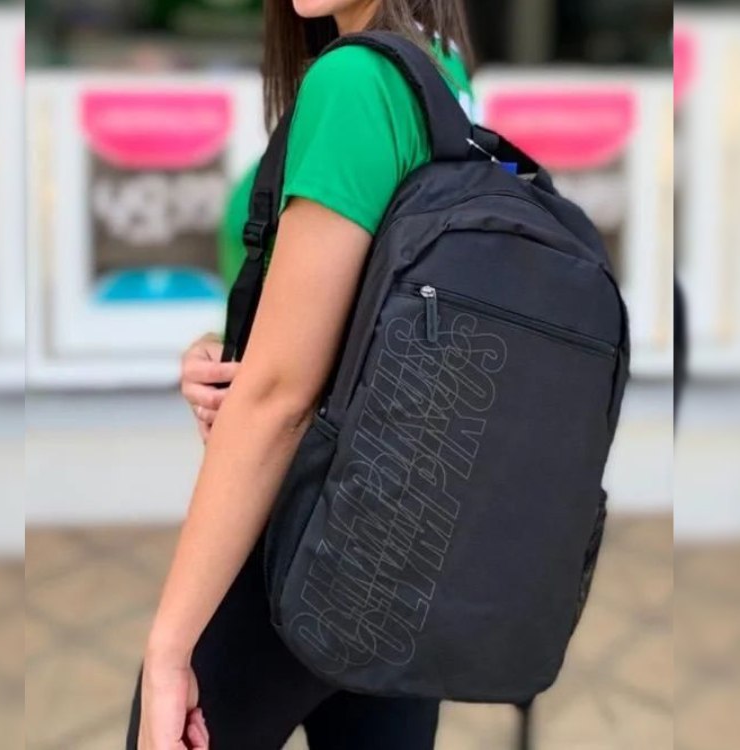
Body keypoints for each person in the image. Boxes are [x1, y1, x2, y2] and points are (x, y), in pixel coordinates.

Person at [129, 1, 476, 748]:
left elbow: (283, 401)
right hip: (406, 550)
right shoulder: (442, 70)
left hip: (303, 534)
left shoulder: (354, 80)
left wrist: (169, 649)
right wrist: (236, 346)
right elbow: (373, 310)